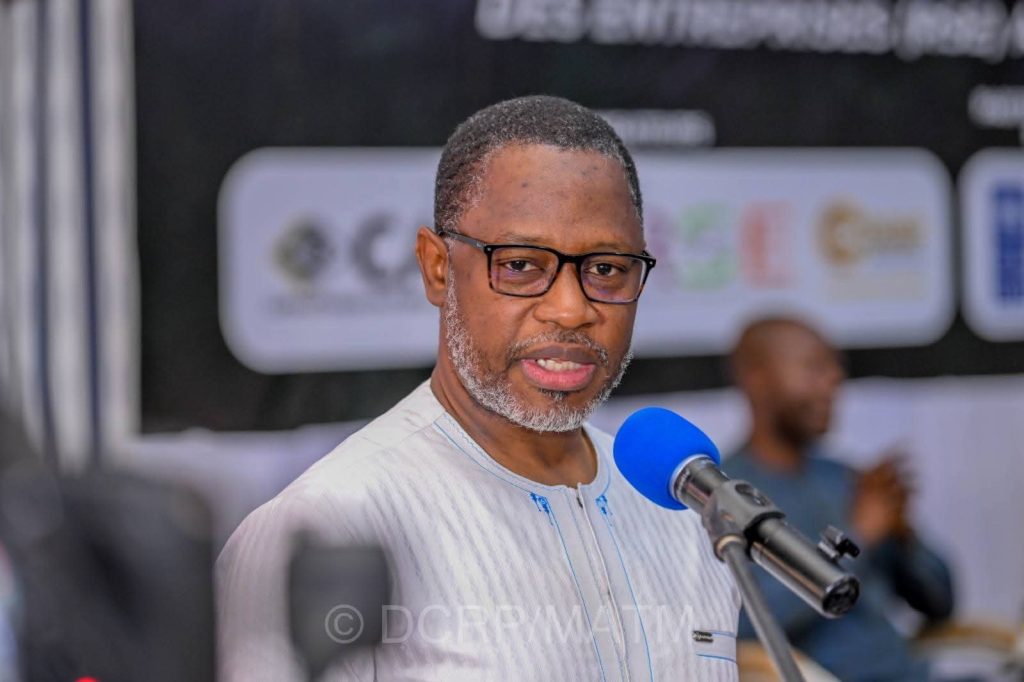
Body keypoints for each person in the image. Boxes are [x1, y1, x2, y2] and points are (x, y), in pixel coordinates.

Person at [216, 96, 740, 681]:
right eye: (520, 265)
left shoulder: (687, 512)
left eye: (606, 269)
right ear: (437, 268)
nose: (571, 309)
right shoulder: (325, 525)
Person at [725, 316, 954, 681]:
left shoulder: (845, 479)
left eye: (834, 367)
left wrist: (904, 537)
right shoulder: (725, 496)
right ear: (757, 378)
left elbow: (941, 603)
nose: (834, 379)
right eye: (814, 367)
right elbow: (740, 626)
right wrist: (860, 534)